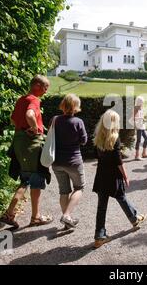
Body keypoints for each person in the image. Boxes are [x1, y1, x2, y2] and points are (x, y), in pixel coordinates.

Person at [0, 75, 53, 228]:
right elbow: (29, 115)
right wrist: (35, 129)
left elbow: (13, 120)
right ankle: (26, 216)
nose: (45, 91)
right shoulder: (33, 99)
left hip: (19, 142)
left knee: (26, 179)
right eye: (45, 87)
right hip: (31, 144)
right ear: (36, 85)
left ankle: (18, 215)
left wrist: (24, 129)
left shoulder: (21, 99)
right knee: (34, 179)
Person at [92, 109, 146, 248]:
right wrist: (125, 176)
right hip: (113, 175)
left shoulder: (98, 136)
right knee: (121, 196)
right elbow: (118, 161)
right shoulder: (115, 138)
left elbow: (99, 157)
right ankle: (134, 219)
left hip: (101, 175)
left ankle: (99, 236)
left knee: (101, 207)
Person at [51, 94, 87, 229]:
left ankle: (68, 221)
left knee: (64, 191)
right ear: (75, 106)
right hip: (73, 161)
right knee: (79, 187)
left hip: (57, 162)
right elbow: (84, 141)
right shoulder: (78, 122)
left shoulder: (55, 120)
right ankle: (67, 215)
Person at [133, 96, 147, 160]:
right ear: (139, 102)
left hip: (142, 126)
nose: (143, 103)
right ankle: (137, 155)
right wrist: (135, 126)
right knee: (138, 141)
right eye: (142, 102)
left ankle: (143, 153)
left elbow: (140, 117)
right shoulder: (136, 108)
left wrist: (144, 118)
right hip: (139, 127)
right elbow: (134, 118)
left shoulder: (141, 108)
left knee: (146, 139)